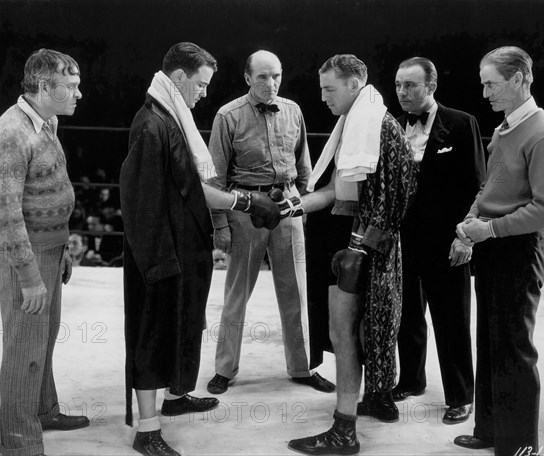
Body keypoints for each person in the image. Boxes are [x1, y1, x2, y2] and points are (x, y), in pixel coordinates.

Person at [120, 42, 280, 456]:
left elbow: (189, 185)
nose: (204, 93)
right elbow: (141, 202)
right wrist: (245, 201)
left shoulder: (172, 117)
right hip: (162, 255)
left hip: (183, 249)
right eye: (201, 84)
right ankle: (147, 430)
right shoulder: (152, 124)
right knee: (153, 334)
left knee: (184, 324)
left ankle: (174, 398)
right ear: (178, 79)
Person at [284, 54, 417, 455]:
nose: (323, 97)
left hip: (363, 245)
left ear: (354, 85)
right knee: (350, 333)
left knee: (345, 334)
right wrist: (293, 206)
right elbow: (340, 190)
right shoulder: (360, 123)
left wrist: (359, 250)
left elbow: (396, 198)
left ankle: (344, 431)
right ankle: (371, 400)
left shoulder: (375, 125)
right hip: (353, 240)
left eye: (330, 88)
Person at [454, 46, 544, 456]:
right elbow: (491, 187)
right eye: (483, 84)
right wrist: (470, 222)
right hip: (494, 247)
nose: (485, 93)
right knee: (490, 340)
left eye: (491, 84)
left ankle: (519, 445)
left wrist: (490, 229)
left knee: (515, 347)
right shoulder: (505, 129)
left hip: (519, 250)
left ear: (519, 79)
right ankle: (490, 430)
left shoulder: (542, 133)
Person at [205, 50, 335, 395]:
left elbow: (305, 164)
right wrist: (220, 224)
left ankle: (303, 366)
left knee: (297, 291)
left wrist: (301, 204)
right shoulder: (228, 115)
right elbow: (215, 177)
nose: (271, 83)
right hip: (245, 209)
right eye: (262, 76)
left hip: (288, 206)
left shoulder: (293, 110)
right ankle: (224, 368)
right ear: (248, 78)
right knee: (236, 293)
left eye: (276, 75)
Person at [0, 48, 89, 456]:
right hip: (21, 255)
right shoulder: (9, 134)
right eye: (72, 86)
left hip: (48, 247)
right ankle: (20, 444)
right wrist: (29, 277)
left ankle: (44, 410)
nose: (80, 94)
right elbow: (6, 216)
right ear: (45, 87)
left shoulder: (46, 121)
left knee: (42, 340)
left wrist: (60, 249)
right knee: (24, 349)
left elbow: (49, 186)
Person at [382, 57, 486, 424]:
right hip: (403, 240)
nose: (402, 92)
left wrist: (466, 238)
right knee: (407, 315)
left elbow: (477, 186)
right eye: (398, 85)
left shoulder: (460, 123)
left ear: (431, 86)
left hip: (447, 240)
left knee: (451, 319)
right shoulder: (393, 127)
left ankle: (461, 395)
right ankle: (411, 380)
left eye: (410, 85)